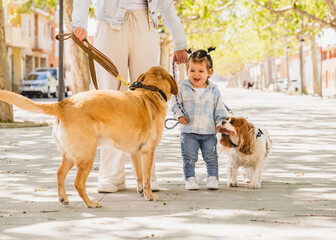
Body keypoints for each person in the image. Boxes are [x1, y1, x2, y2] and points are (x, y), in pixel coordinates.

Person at [71, 0, 188, 193]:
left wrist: (179, 41)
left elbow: (166, 4)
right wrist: (79, 24)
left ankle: (147, 176)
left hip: (145, 22)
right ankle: (111, 176)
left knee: (148, 100)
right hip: (109, 22)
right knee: (109, 100)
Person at [171, 48, 228, 190]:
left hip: (209, 132)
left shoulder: (214, 90)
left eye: (201, 71)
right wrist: (180, 115)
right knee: (189, 158)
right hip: (188, 131)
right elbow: (175, 103)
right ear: (187, 70)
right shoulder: (182, 87)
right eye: (192, 71)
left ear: (209, 72)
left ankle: (213, 178)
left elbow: (220, 110)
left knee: (211, 157)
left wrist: (221, 124)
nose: (196, 75)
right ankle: (190, 179)